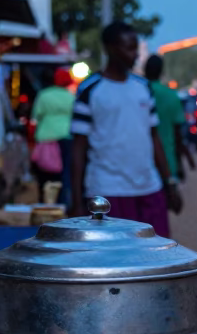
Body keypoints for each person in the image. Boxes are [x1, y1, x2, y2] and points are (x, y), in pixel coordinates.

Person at [69, 22, 181, 236]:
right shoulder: (90, 90)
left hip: (149, 188)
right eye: (128, 48)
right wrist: (76, 199)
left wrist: (170, 182)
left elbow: (153, 137)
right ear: (110, 48)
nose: (134, 55)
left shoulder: (143, 88)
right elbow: (78, 148)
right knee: (114, 263)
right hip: (107, 192)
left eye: (135, 48)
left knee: (154, 260)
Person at [144, 54, 195, 185]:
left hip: (141, 166)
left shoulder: (138, 93)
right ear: (161, 71)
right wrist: (182, 163)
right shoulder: (171, 96)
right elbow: (178, 135)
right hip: (167, 163)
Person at [31, 67, 75, 206]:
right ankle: (62, 203)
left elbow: (35, 117)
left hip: (46, 138)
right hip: (66, 138)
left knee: (44, 173)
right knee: (64, 174)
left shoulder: (44, 95)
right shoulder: (71, 97)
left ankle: (44, 201)